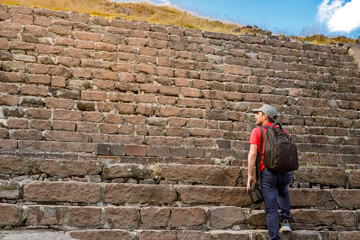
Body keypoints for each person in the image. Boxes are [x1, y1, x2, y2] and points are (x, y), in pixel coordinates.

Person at [246, 104, 293, 240]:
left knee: (271, 210)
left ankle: (274, 238)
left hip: (268, 174)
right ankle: (285, 221)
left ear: (265, 116)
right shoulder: (284, 132)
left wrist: (250, 175)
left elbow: (252, 153)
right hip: (285, 174)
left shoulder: (257, 131)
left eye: (258, 113)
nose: (255, 116)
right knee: (284, 193)